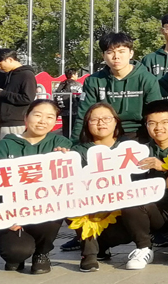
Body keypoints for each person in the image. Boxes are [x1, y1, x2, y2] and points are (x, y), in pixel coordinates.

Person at [92, 100, 168, 271]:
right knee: (131, 204)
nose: (158, 128)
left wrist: (165, 167)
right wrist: (164, 184)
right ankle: (144, 248)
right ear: (146, 125)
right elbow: (132, 188)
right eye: (152, 123)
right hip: (154, 209)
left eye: (164, 122)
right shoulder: (139, 151)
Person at [0, 99, 73, 274]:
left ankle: (42, 253)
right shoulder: (4, 145)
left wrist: (65, 159)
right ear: (26, 117)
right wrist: (8, 214)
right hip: (11, 212)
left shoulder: (61, 144)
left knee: (57, 210)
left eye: (49, 117)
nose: (43, 121)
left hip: (43, 210)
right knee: (15, 253)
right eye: (38, 115)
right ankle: (18, 253)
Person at [66, 102, 123, 264]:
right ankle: (89, 253)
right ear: (86, 124)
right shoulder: (77, 152)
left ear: (116, 121)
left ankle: (143, 247)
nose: (101, 123)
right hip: (91, 210)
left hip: (121, 212)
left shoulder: (129, 149)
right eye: (95, 119)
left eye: (106, 118)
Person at [76, 33, 163, 139]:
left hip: (140, 135)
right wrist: (74, 142)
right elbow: (84, 115)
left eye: (122, 51)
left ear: (131, 54)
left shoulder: (147, 79)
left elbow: (156, 114)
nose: (116, 57)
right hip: (104, 134)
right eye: (110, 52)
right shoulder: (93, 81)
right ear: (103, 55)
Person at [0, 49, 37, 138]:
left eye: (0, 64)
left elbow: (27, 98)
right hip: (0, 121)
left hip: (14, 123)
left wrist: (1, 93)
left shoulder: (27, 75)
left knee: (11, 146)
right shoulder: (8, 74)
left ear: (10, 60)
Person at [55, 68, 84, 138]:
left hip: (63, 110)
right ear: (73, 75)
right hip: (74, 110)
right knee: (74, 129)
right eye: (76, 74)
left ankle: (65, 141)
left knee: (66, 130)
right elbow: (82, 97)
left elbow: (56, 95)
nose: (77, 76)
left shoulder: (61, 84)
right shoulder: (77, 85)